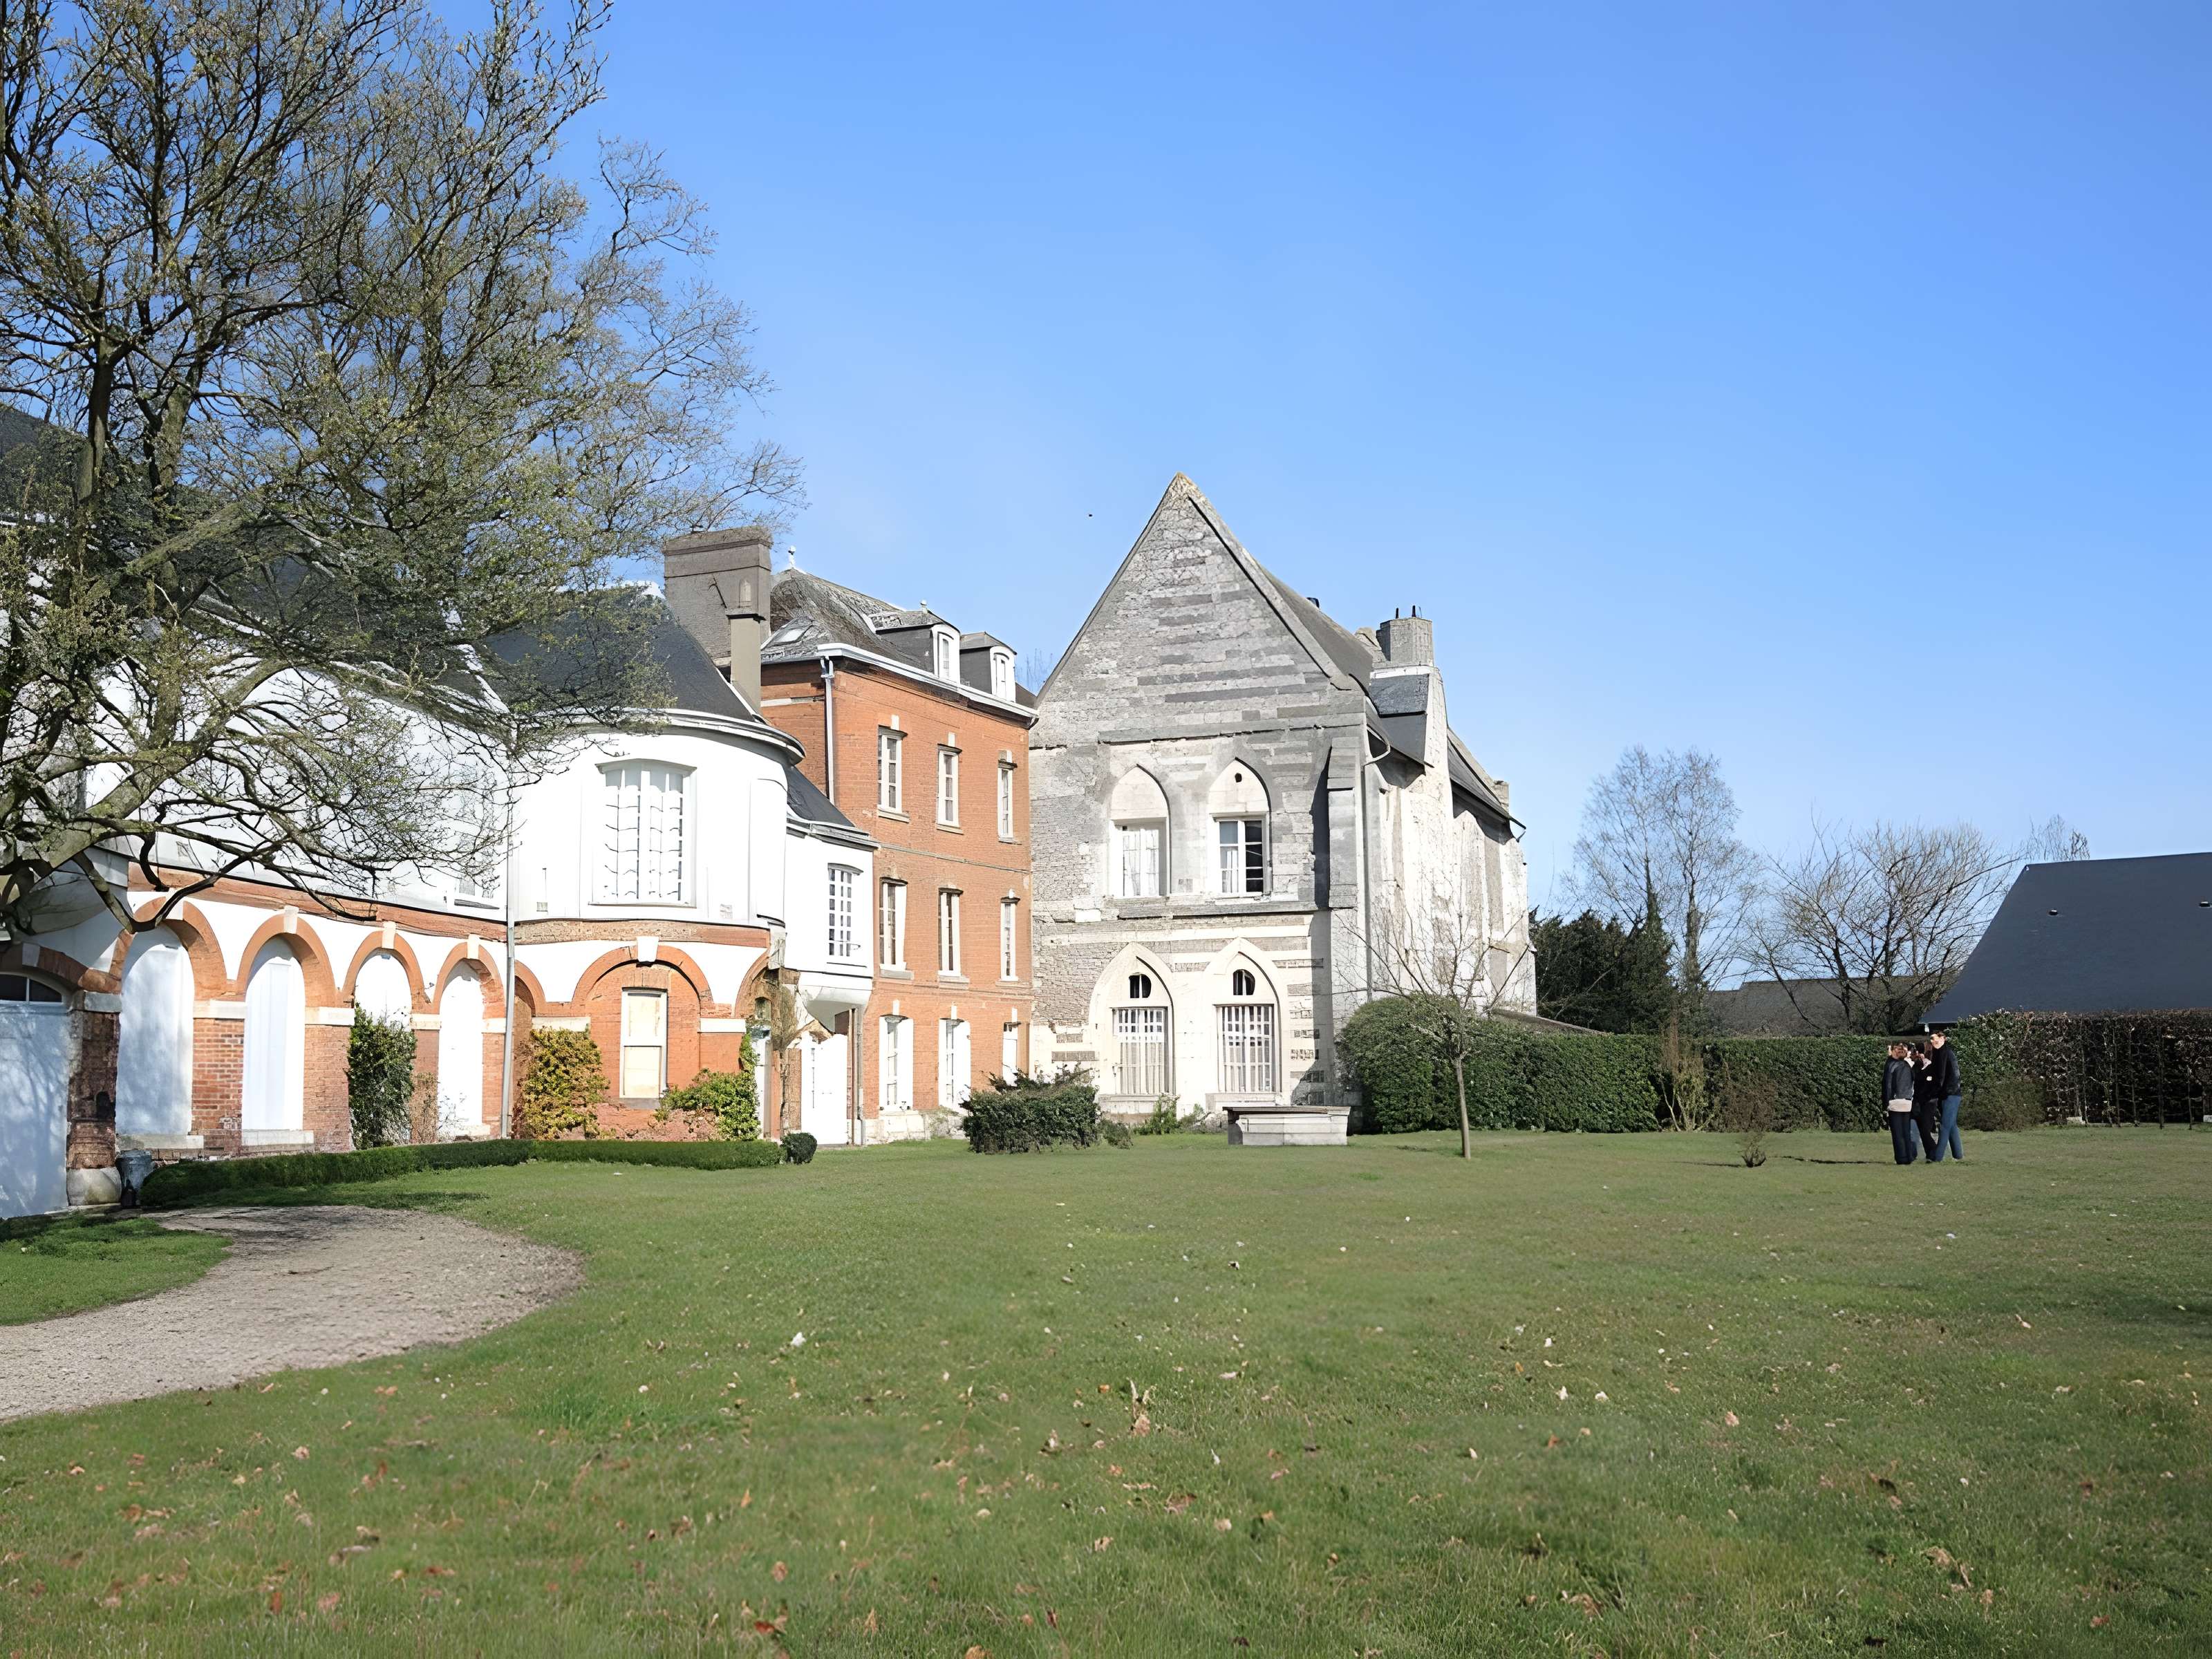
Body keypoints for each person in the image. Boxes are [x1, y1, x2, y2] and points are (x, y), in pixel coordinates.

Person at [1927, 1028, 1965, 1163]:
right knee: (1951, 1124)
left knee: (1945, 1126)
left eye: (1936, 1038)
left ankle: (1937, 1158)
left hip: (1951, 1094)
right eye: (1932, 1039)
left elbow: (1941, 1076)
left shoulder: (1944, 1052)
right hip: (1948, 1094)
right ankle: (1958, 1155)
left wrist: (1933, 1091)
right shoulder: (1939, 1053)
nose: (1934, 1041)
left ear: (1943, 1039)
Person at [1884, 1042, 1918, 1164]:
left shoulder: (1892, 1066)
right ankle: (1909, 1156)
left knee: (1897, 1133)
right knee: (1906, 1132)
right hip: (1908, 1101)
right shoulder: (1908, 1066)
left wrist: (1886, 1102)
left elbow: (1888, 1085)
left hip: (1896, 1101)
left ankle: (1901, 1158)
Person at [1909, 1042, 1941, 1161]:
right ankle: (1930, 1153)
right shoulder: (1916, 1066)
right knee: (1922, 1129)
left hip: (1928, 1101)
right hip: (1919, 1101)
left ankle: (1933, 1152)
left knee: (1924, 1129)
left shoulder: (1930, 1067)